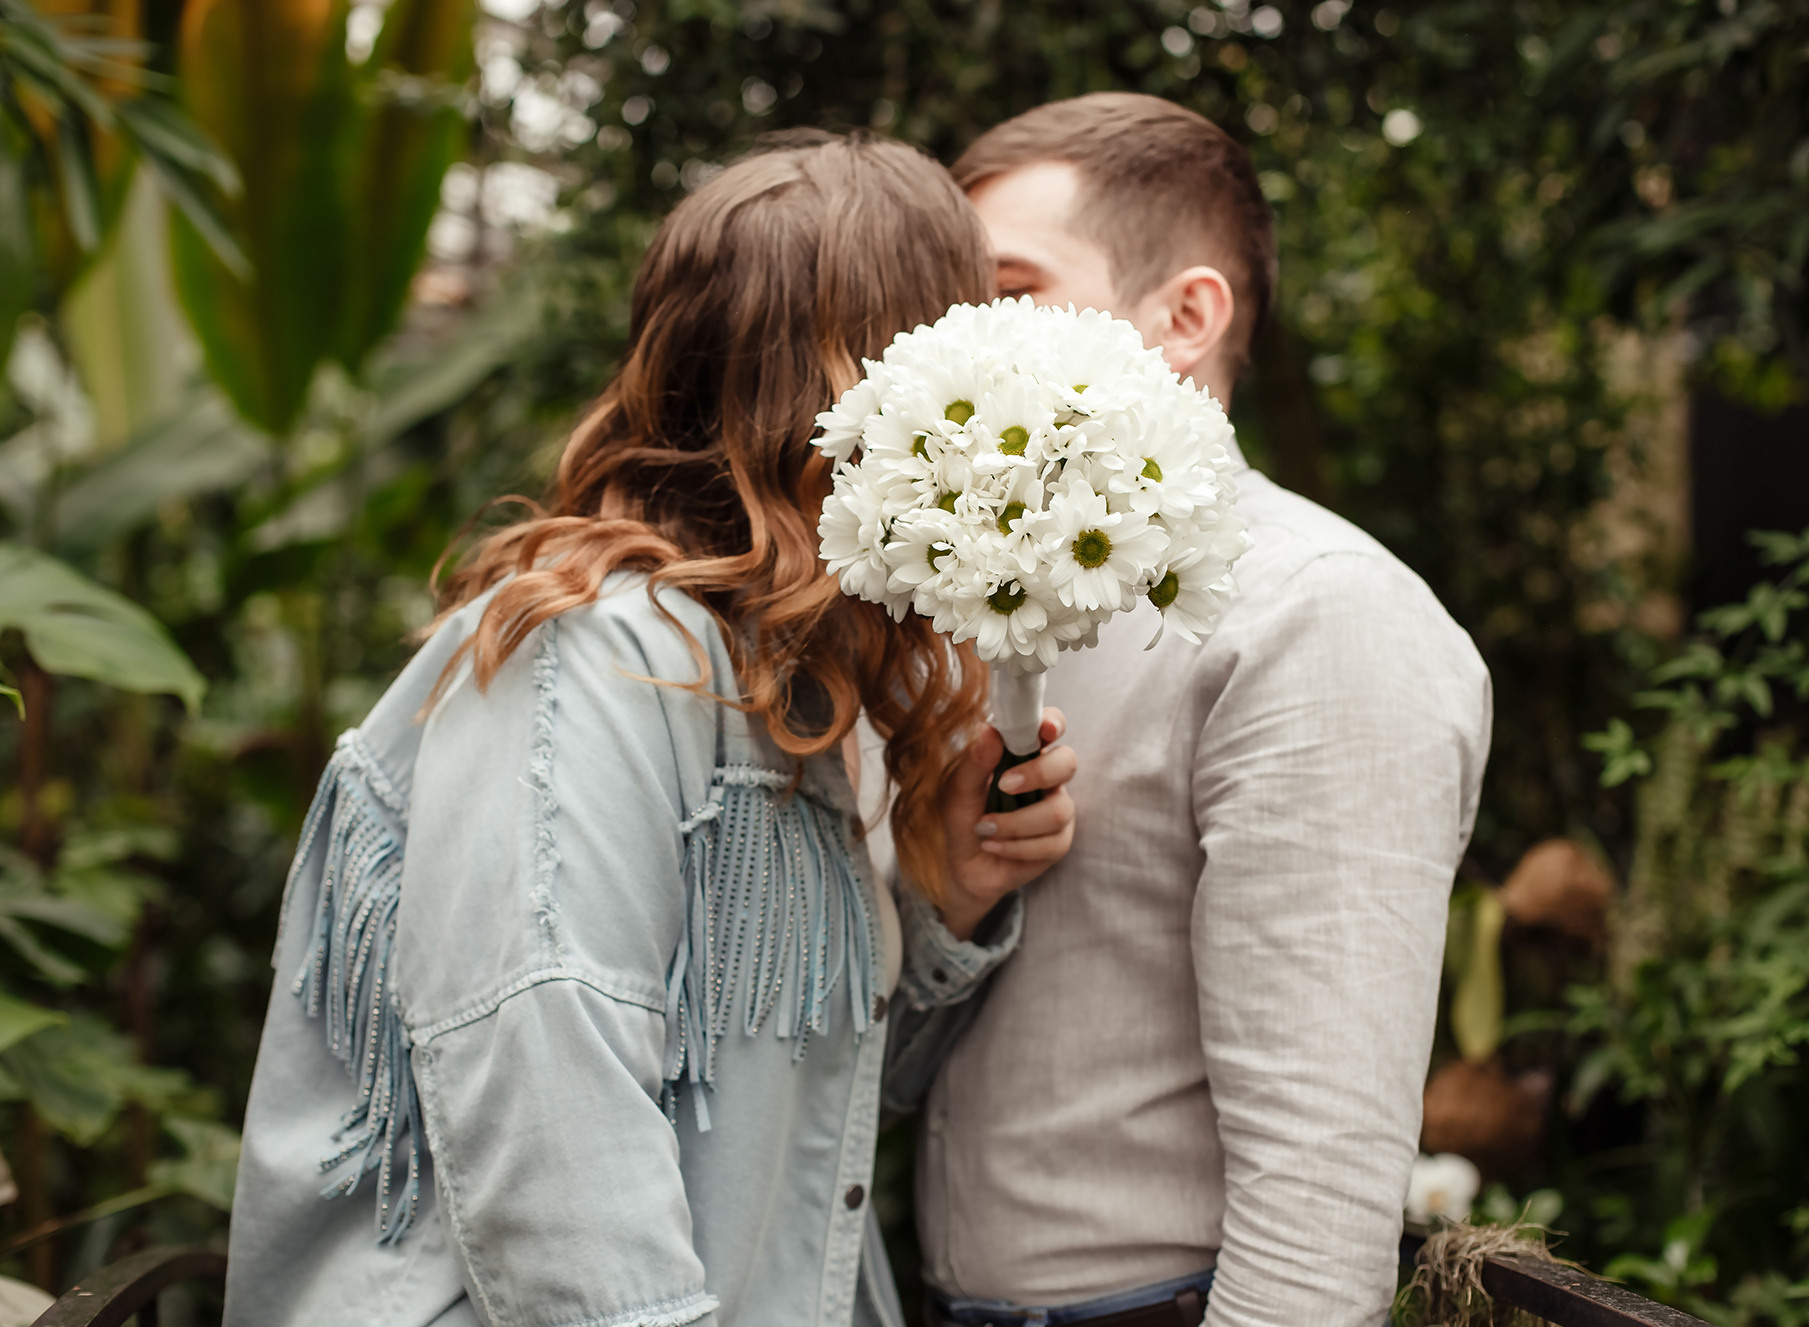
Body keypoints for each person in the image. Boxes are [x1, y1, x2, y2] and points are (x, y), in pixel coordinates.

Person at [224, 133, 1079, 1327]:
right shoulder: (584, 656)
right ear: (885, 382)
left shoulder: (787, 675)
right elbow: (549, 1134)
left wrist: (947, 900)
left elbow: (802, 1114)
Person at [908, 94, 1493, 1327]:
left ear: (1185, 316)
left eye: (1008, 292)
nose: (961, 340)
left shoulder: (1323, 620)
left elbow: (1323, 1172)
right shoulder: (1002, 596)